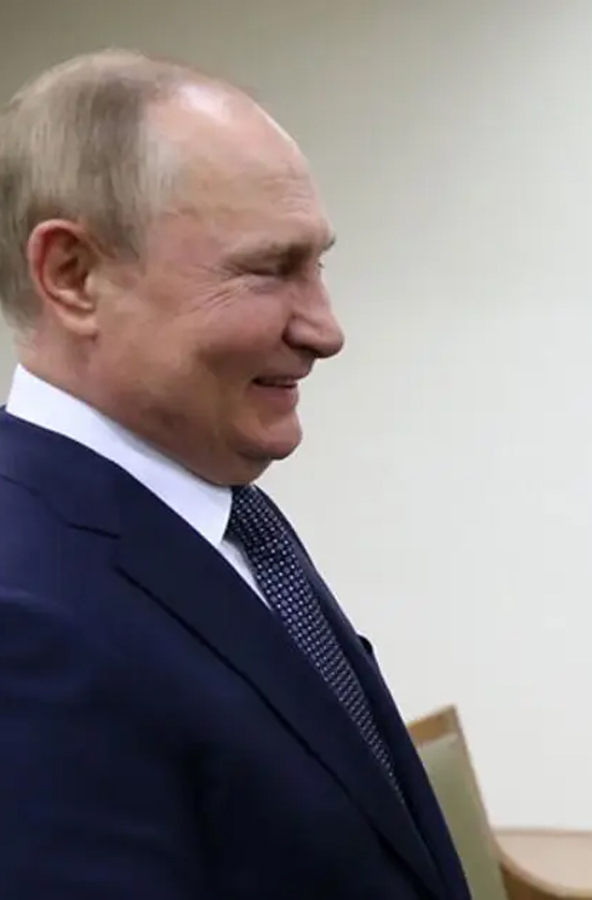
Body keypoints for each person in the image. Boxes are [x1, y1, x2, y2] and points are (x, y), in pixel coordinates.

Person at [0, 50, 469, 900]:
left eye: (317, 266)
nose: (325, 330)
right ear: (73, 276)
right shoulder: (25, 613)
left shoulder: (218, 515)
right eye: (269, 270)